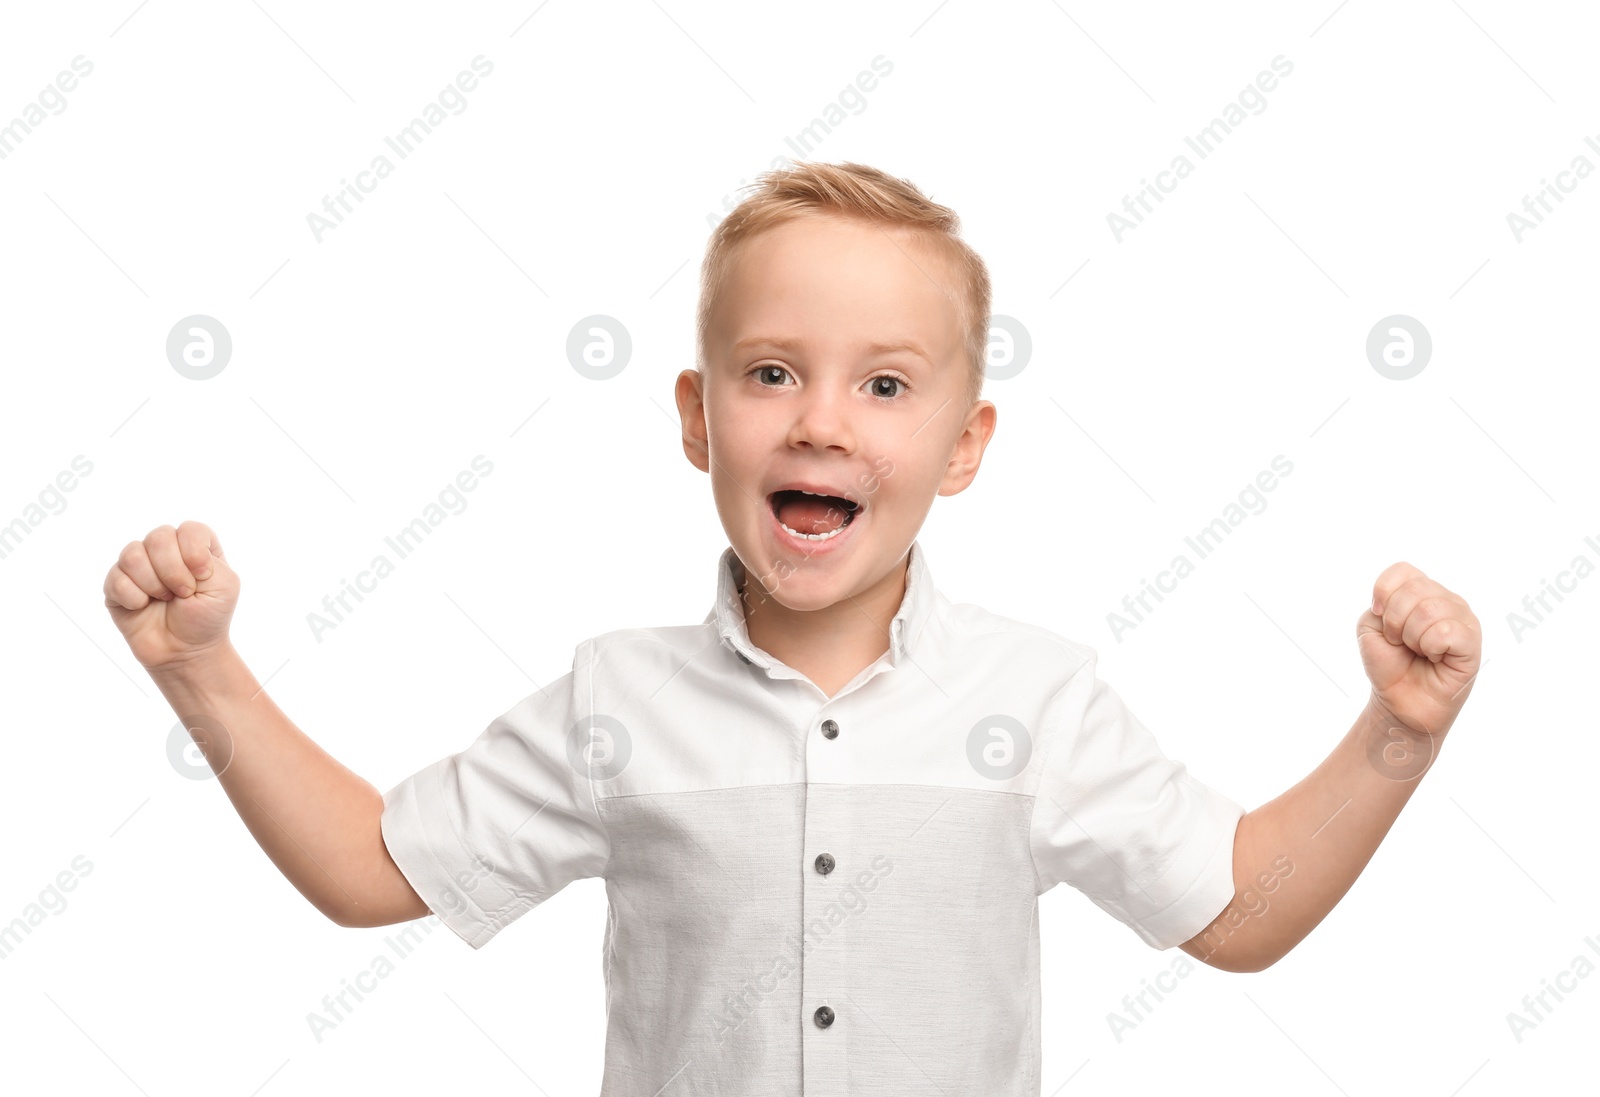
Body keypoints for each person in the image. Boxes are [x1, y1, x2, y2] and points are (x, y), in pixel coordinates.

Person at [103, 160, 1483, 1095]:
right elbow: (366, 866)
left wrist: (1395, 737)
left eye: (885, 384)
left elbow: (1236, 910)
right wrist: (203, 673)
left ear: (963, 444)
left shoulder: (1038, 700)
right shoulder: (615, 703)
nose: (821, 417)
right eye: (772, 372)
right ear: (700, 417)